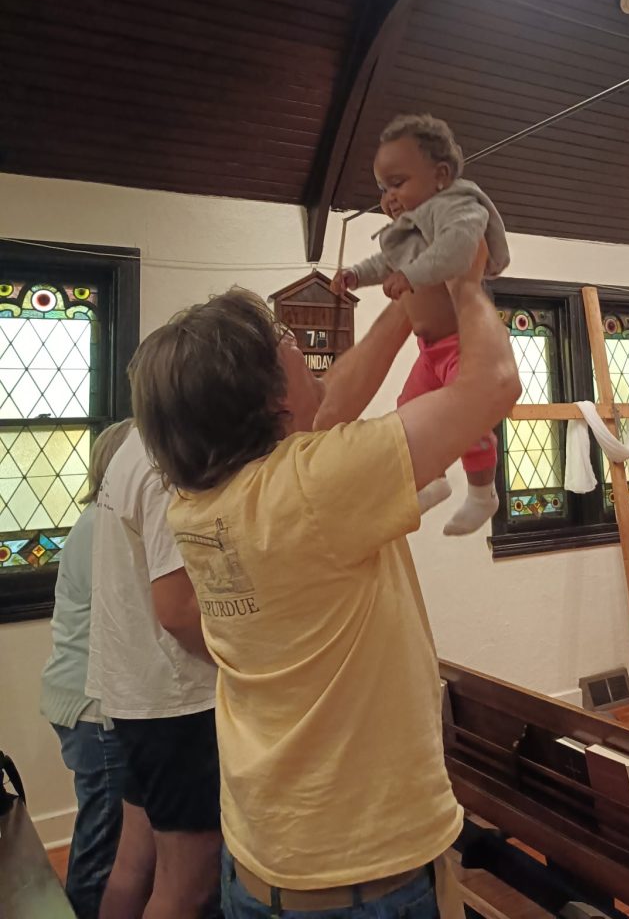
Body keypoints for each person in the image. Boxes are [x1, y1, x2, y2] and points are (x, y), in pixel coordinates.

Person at [127, 260, 519, 919]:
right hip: (360, 877)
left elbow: (324, 405)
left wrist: (404, 305)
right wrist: (462, 276)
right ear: (268, 399)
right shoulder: (313, 486)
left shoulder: (202, 502)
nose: (302, 350)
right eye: (287, 345)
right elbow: (494, 381)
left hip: (263, 856)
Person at [332, 113, 510, 536]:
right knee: (408, 411)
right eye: (382, 188)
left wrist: (410, 276)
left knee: (468, 420)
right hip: (429, 350)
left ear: (441, 176)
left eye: (397, 183)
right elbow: (387, 260)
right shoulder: (411, 227)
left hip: (461, 344)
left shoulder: (459, 209)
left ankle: (483, 493)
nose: (388, 197)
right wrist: (357, 274)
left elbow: (457, 251)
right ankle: (431, 480)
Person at [86, 424, 221, 919]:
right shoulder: (170, 457)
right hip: (177, 700)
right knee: (186, 888)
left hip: (143, 694)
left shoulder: (135, 445)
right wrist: (253, 661)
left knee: (136, 865)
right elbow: (179, 611)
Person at [40, 418, 133, 919]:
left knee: (103, 830)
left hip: (80, 698)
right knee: (102, 843)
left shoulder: (97, 520)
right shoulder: (105, 527)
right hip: (93, 708)